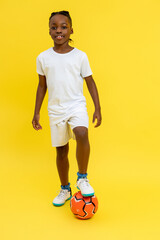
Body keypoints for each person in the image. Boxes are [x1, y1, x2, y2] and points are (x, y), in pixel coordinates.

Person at [32, 10, 102, 207]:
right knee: (61, 150)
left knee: (81, 132)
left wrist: (97, 108)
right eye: (54, 27)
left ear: (71, 30)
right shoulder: (43, 58)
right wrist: (36, 112)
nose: (59, 31)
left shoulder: (80, 56)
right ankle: (65, 189)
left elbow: (90, 82)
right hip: (56, 109)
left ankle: (82, 177)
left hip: (76, 105)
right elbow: (41, 86)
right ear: (49, 31)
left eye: (63, 27)